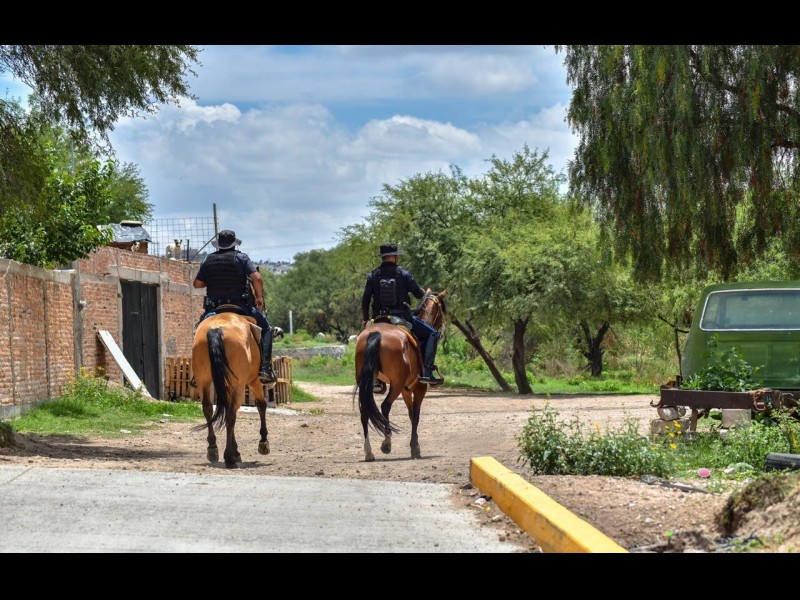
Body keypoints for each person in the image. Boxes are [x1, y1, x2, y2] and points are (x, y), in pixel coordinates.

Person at [193, 229, 276, 384]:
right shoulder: (241, 258)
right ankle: (265, 369)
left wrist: (212, 280)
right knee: (266, 329)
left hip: (214, 308)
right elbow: (257, 278)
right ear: (234, 244)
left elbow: (197, 284)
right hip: (240, 306)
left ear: (218, 245)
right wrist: (259, 297)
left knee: (199, 330)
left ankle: (197, 373)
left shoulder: (209, 260)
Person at [361, 242, 443, 385]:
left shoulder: (372, 275)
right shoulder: (404, 274)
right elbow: (419, 295)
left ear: (383, 257)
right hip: (402, 318)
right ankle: (427, 372)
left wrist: (365, 319)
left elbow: (365, 299)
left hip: (378, 319)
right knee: (432, 334)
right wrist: (426, 292)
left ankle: (374, 378)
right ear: (395, 257)